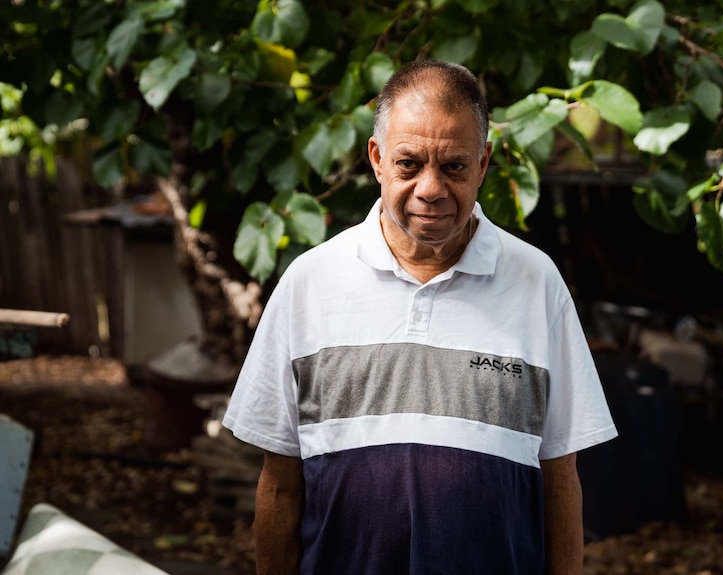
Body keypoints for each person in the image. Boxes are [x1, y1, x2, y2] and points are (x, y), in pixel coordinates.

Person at [222, 59, 618, 575]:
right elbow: (279, 481)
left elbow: (561, 477)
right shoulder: (310, 282)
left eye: (453, 166)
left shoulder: (536, 283)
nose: (430, 189)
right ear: (378, 159)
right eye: (409, 164)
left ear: (483, 165)